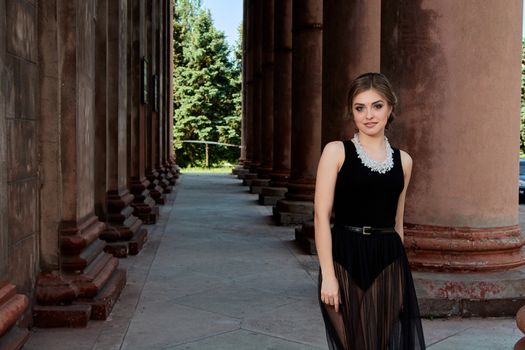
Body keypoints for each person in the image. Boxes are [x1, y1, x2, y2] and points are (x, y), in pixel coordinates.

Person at [314, 72, 426, 349]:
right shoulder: (336, 152)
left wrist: (401, 277)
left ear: (390, 108)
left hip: (387, 261)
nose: (369, 115)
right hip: (343, 257)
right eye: (359, 107)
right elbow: (320, 216)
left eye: (377, 105)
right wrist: (328, 275)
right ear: (351, 112)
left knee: (376, 344)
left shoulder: (405, 161)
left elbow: (398, 222)